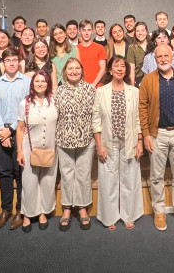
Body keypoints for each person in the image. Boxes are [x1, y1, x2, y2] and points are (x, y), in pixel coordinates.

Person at [139, 44, 174, 231]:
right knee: (156, 176)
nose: (163, 59)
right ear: (154, 60)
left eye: (166, 56)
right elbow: (142, 109)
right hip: (158, 134)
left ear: (172, 57)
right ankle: (159, 210)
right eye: (159, 57)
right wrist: (146, 134)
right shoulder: (148, 80)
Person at [92, 56, 144, 230]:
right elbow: (96, 121)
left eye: (123, 66)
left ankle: (129, 215)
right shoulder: (101, 91)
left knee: (130, 180)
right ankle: (109, 217)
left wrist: (140, 141)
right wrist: (99, 145)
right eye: (116, 65)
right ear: (110, 70)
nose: (120, 68)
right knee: (108, 181)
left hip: (129, 141)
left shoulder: (134, 91)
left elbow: (138, 120)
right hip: (108, 142)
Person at [52, 58, 96, 231]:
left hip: (86, 139)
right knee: (67, 174)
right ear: (65, 72)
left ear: (82, 70)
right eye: (70, 68)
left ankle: (83, 207)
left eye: (77, 68)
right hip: (64, 140)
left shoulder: (91, 89)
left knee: (84, 174)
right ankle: (67, 208)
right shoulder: (59, 92)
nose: (74, 71)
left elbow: (97, 115)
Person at [0, 48, 31, 230]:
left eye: (15, 60)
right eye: (8, 60)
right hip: (1, 131)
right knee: (4, 173)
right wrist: (2, 131)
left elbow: (28, 109)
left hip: (21, 131)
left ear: (19, 62)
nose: (12, 63)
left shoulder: (28, 82)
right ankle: (5, 210)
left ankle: (20, 210)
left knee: (20, 173)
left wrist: (11, 129)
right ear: (3, 63)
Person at [16, 70, 58, 232]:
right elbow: (20, 129)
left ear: (48, 84)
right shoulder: (25, 104)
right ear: (32, 84)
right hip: (29, 148)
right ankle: (27, 214)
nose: (40, 84)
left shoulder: (54, 102)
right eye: (37, 81)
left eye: (43, 81)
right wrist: (19, 151)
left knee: (48, 181)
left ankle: (42, 212)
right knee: (29, 182)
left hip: (50, 148)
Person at [77, 19, 107, 87]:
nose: (86, 33)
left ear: (93, 31)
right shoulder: (76, 49)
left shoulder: (100, 48)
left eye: (89, 30)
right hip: (81, 87)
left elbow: (103, 68)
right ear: (79, 32)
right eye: (84, 30)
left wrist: (93, 84)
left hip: (97, 86)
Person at [126, 21, 150, 87]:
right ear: (135, 33)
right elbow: (132, 68)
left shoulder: (153, 44)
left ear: (146, 32)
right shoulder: (132, 47)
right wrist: (132, 86)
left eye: (142, 30)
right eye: (137, 31)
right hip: (139, 79)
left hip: (153, 78)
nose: (140, 33)